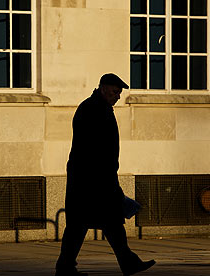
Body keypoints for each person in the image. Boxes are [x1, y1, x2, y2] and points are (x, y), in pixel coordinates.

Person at [55, 73, 156, 276]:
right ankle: (66, 268)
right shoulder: (94, 109)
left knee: (103, 224)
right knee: (88, 225)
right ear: (103, 88)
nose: (118, 96)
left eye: (119, 92)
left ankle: (126, 263)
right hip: (92, 181)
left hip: (92, 179)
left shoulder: (97, 108)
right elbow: (95, 150)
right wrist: (109, 181)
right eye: (115, 91)